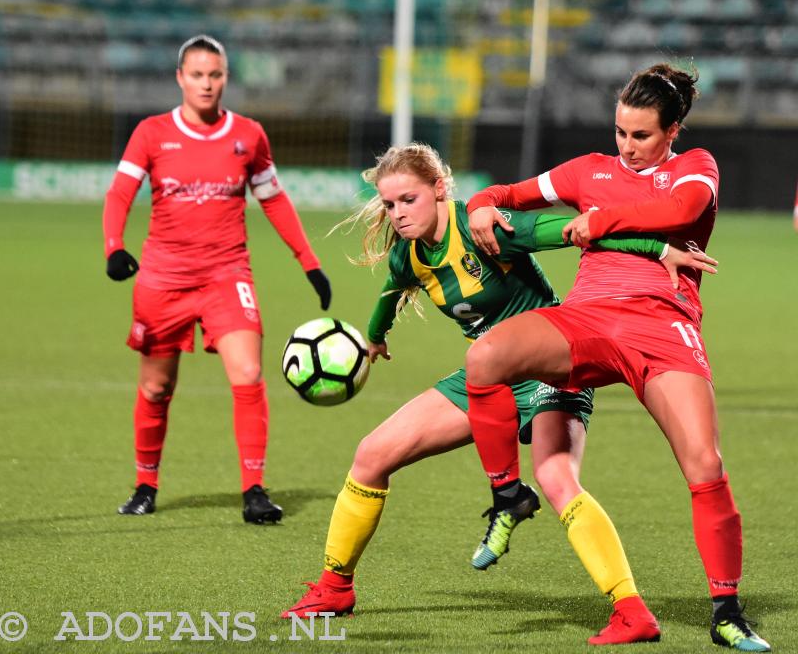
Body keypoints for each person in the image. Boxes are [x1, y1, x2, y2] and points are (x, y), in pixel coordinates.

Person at [281, 143, 716, 646]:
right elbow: (391, 292)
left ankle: (631, 610)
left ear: (439, 189)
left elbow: (576, 231)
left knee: (556, 479)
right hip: (485, 379)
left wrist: (658, 249)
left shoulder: (486, 229)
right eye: (390, 205)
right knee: (371, 455)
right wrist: (374, 339)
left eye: (408, 200)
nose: (398, 214)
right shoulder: (409, 253)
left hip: (552, 366)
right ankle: (335, 588)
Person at [464, 64, 770, 652]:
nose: (627, 148)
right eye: (620, 133)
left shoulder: (695, 166)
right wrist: (480, 204)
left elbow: (678, 215)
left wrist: (602, 218)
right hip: (586, 319)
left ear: (672, 130)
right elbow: (506, 194)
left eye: (641, 136)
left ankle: (727, 612)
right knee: (486, 358)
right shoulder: (589, 169)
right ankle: (507, 495)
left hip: (662, 324)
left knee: (704, 464)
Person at [102, 34, 332, 524]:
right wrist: (113, 247)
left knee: (247, 374)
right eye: (197, 75)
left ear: (226, 77)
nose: (207, 84)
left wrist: (308, 261)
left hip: (227, 274)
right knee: (156, 389)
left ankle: (253, 491)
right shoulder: (151, 132)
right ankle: (145, 485)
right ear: (180, 78)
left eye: (216, 75)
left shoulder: (248, 135)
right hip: (162, 278)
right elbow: (120, 192)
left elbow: (274, 199)